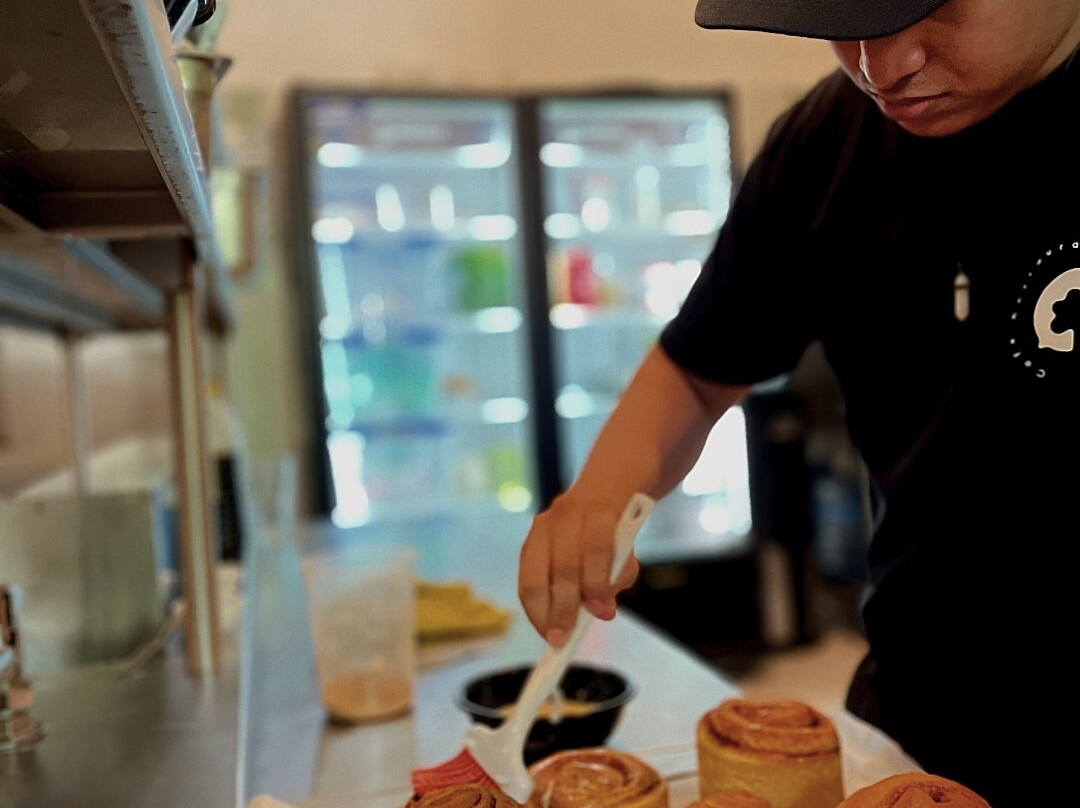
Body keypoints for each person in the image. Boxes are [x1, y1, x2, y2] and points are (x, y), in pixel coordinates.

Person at [517, 2, 1080, 805]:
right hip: (910, 722)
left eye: (930, 7)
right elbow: (700, 369)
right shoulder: (829, 142)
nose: (881, 67)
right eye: (841, 16)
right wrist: (603, 492)